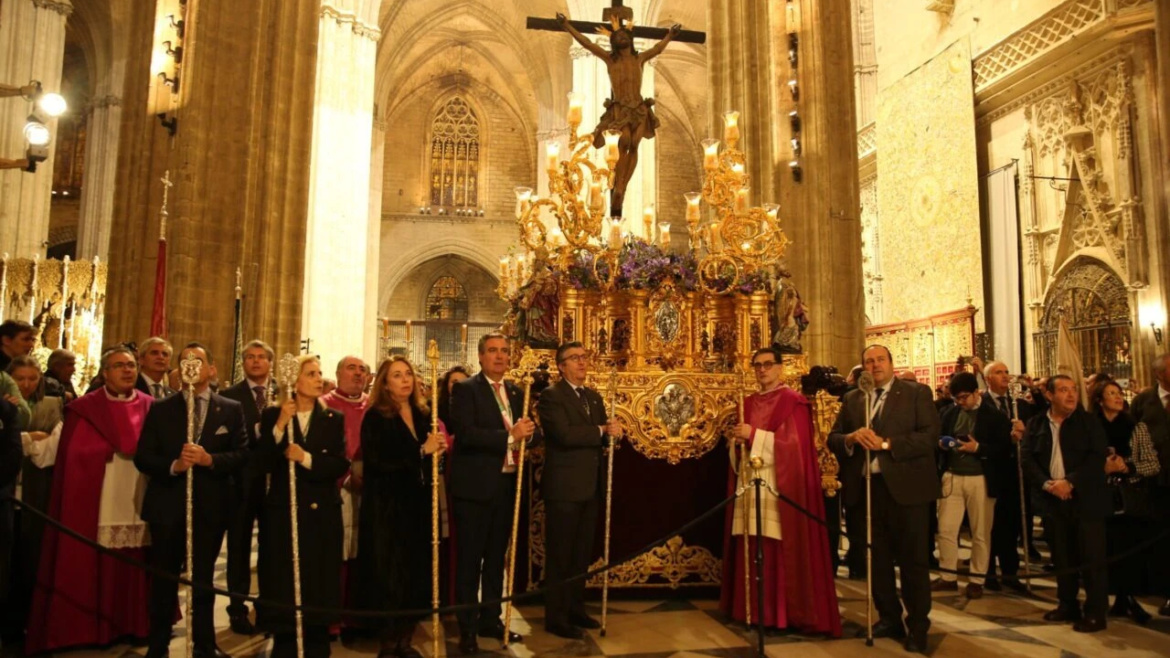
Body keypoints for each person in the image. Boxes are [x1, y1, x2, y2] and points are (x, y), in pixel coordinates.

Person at [26, 346, 155, 653]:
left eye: (131, 365)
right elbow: (72, 453)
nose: (127, 370)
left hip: (138, 495)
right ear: (105, 373)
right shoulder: (84, 409)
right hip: (99, 497)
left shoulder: (151, 407)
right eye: (119, 365)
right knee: (93, 560)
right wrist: (106, 449)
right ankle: (88, 628)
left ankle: (134, 624)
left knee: (136, 559)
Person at [135, 343, 248, 658]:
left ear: (211, 369)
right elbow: (144, 457)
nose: (192, 365)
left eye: (198, 360)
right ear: (178, 369)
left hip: (211, 506)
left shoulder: (230, 409)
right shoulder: (161, 409)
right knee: (164, 577)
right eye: (186, 360)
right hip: (168, 505)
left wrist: (210, 459)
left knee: (203, 578)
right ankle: (158, 644)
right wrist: (175, 465)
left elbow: (241, 454)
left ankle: (204, 643)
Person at [720, 347, 841, 636]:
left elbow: (794, 449)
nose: (762, 370)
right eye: (757, 365)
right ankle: (751, 609)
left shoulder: (793, 402)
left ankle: (781, 614)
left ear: (779, 368)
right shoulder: (747, 402)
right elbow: (740, 445)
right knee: (752, 543)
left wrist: (753, 435)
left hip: (779, 486)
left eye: (767, 364)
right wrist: (737, 443)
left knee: (776, 547)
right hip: (750, 482)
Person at [828, 344, 940, 653]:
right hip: (866, 491)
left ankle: (918, 625)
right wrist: (851, 438)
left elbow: (929, 436)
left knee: (912, 562)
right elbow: (833, 438)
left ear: (891, 363)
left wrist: (887, 444)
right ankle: (889, 617)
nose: (875, 365)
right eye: (869, 361)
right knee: (875, 562)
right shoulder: (853, 398)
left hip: (906, 491)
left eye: (880, 360)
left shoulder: (916, 393)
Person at [255, 354, 349, 658]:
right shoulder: (273, 414)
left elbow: (340, 464)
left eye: (319, 373)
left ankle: (318, 639)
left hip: (322, 512)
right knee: (284, 574)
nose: (318, 379)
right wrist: (281, 425)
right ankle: (285, 638)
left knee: (319, 576)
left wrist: (306, 458)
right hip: (285, 509)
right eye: (310, 373)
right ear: (294, 381)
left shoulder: (333, 418)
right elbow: (262, 461)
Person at [449, 333, 535, 653]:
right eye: (493, 351)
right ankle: (467, 628)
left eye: (505, 351)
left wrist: (530, 434)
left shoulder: (516, 391)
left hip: (506, 485)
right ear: (481, 356)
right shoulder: (466, 389)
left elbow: (529, 432)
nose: (500, 356)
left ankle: (491, 618)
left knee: (497, 558)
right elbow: (466, 434)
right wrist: (510, 437)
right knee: (470, 561)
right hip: (475, 487)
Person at [357, 357, 447, 658]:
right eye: (397, 375)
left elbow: (427, 458)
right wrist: (421, 450)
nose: (405, 380)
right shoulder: (376, 417)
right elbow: (379, 461)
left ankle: (405, 640)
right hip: (387, 506)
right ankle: (388, 641)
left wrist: (436, 450)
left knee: (413, 571)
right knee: (389, 573)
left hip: (417, 503)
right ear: (385, 383)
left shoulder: (423, 414)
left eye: (408, 374)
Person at [554, 12, 680, 216]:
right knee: (624, 141)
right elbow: (587, 44)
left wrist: (669, 36)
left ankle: (622, 187)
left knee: (634, 145)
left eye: (624, 35)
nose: (621, 37)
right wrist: (567, 26)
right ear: (613, 42)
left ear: (630, 39)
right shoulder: (610, 60)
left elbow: (657, 49)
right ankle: (618, 186)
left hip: (639, 108)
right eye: (617, 37)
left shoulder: (639, 59)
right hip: (620, 108)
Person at [536, 342, 620, 639]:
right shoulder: (551, 396)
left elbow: (601, 437)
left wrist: (613, 433)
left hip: (590, 486)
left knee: (581, 554)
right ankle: (556, 616)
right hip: (564, 488)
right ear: (561, 366)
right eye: (575, 358)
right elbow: (564, 434)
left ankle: (575, 608)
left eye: (584, 357)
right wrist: (601, 431)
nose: (582, 362)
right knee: (561, 553)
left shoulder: (593, 397)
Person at [1022, 375, 1109, 633]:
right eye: (1063, 390)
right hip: (1052, 500)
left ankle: (1095, 612)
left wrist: (1070, 482)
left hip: (1085, 500)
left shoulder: (1088, 422)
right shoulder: (1036, 423)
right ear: (1049, 395)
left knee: (1091, 558)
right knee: (1062, 557)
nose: (1071, 395)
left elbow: (1097, 457)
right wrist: (1048, 485)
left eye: (1073, 390)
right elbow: (1027, 459)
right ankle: (1067, 603)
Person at [931, 372, 1012, 600]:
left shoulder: (994, 416)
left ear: (977, 392)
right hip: (952, 476)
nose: (960, 402)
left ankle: (977, 580)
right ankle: (948, 576)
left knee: (980, 532)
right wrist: (942, 444)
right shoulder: (949, 412)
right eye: (956, 398)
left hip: (981, 478)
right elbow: (938, 437)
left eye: (964, 397)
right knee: (946, 529)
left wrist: (977, 448)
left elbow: (1004, 449)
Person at [2, 357, 64, 645]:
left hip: (34, 493)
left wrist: (18, 440)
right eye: (20, 379)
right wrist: (28, 438)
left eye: (32, 378)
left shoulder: (50, 406)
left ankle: (20, 626)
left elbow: (48, 452)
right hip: (5, 491)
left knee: (28, 562)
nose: (26, 384)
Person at [218, 339, 277, 634]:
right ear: (243, 363)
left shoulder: (284, 392)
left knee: (273, 547)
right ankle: (238, 608)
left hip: (275, 482)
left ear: (270, 362)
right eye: (250, 357)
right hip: (242, 482)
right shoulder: (229, 396)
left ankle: (268, 608)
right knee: (239, 547)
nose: (256, 361)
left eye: (261, 357)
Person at [1092, 379, 1159, 624]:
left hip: (1129, 496)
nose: (1118, 397)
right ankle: (1114, 598)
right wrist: (1103, 467)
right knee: (1106, 549)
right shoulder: (1090, 427)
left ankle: (1127, 597)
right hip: (1100, 496)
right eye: (1111, 393)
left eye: (1119, 393)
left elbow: (1152, 464)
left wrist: (1127, 466)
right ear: (1100, 400)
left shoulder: (1136, 427)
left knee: (1128, 549)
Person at [320, 355, 371, 622]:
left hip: (370, 488)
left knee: (363, 553)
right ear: (338, 373)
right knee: (336, 553)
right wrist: (347, 476)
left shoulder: (374, 406)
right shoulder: (323, 405)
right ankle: (333, 618)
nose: (358, 373)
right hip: (336, 488)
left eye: (362, 369)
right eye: (351, 368)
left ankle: (358, 617)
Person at [981, 361, 1033, 592]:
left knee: (1011, 524)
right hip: (991, 471)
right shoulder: (981, 405)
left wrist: (1024, 433)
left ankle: (1010, 572)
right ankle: (989, 572)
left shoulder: (1020, 405)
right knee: (990, 525)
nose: (1005, 376)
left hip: (1014, 472)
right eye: (999, 373)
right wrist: (1007, 438)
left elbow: (1032, 434)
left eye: (1006, 372)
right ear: (987, 379)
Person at [1129, 353, 1170, 616]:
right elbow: (1131, 435)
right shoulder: (1143, 401)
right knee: (1160, 539)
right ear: (1159, 374)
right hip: (1155, 483)